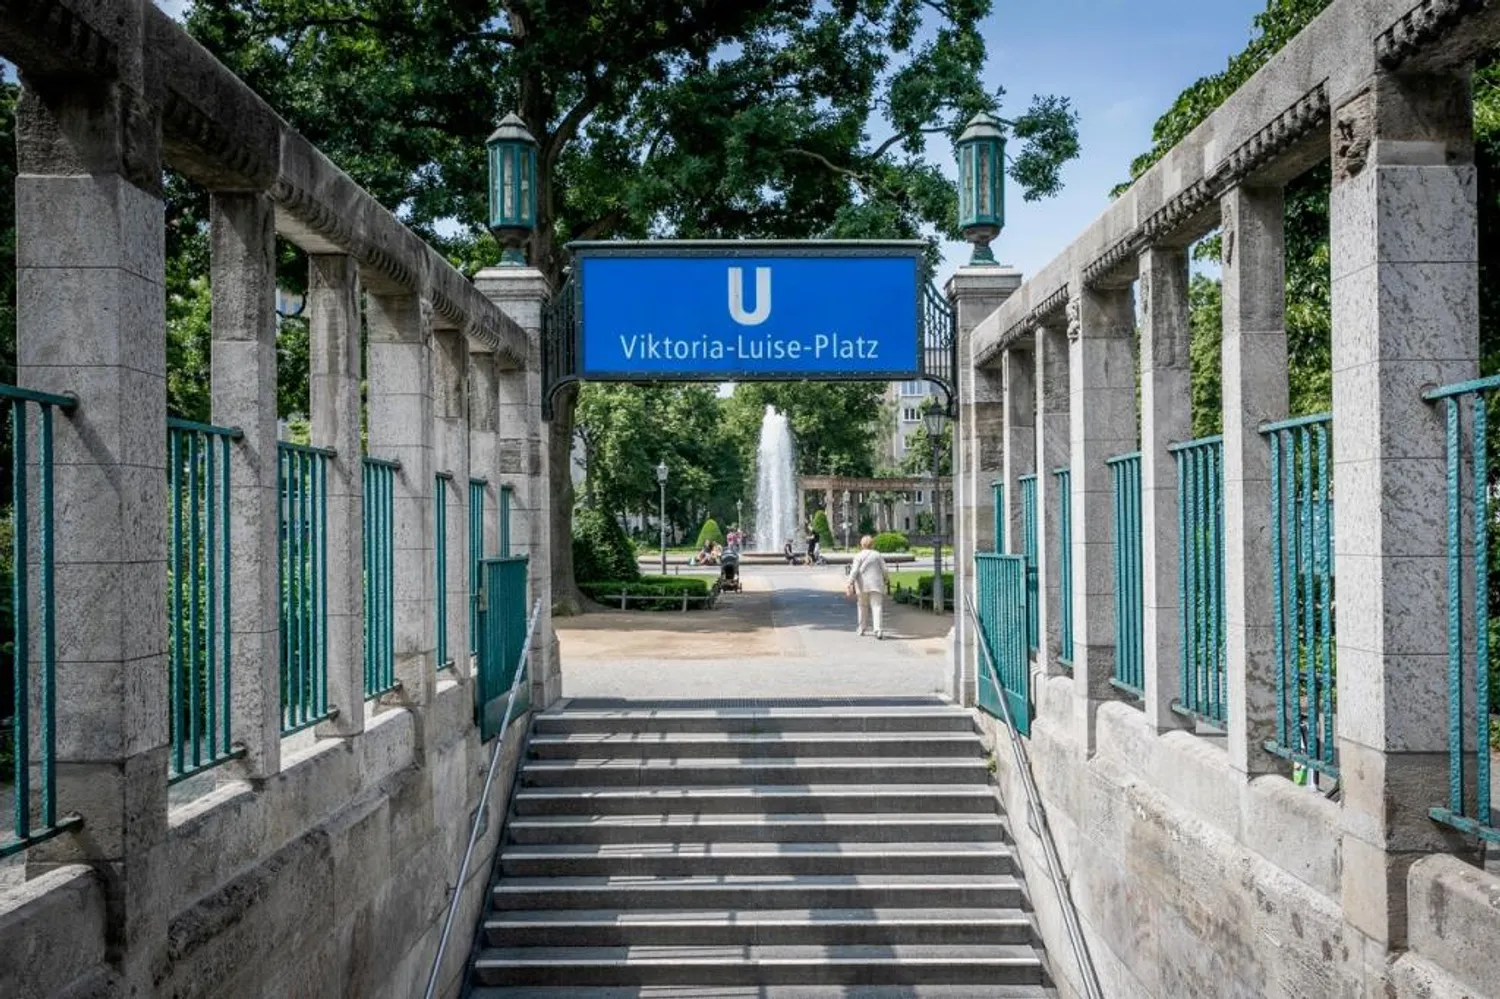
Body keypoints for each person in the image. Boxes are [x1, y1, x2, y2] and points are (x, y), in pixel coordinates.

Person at [847, 534, 890, 639]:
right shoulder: (877, 555)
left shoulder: (858, 556)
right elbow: (884, 569)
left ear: (861, 544)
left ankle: (862, 628)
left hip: (862, 585)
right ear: (872, 544)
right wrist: (887, 578)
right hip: (876, 584)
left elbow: (854, 570)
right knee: (877, 606)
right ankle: (878, 630)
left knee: (862, 606)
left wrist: (850, 582)